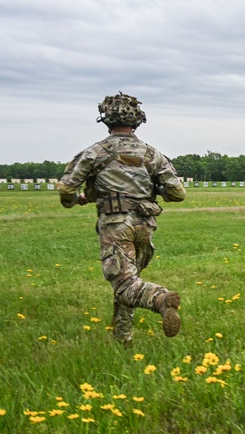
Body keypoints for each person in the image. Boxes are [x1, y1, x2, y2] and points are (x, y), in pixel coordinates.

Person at [56, 93, 186, 345]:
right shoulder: (151, 154)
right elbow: (177, 193)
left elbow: (66, 188)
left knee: (125, 283)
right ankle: (122, 339)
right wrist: (152, 191)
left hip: (117, 225)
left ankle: (161, 299)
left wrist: (74, 200)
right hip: (145, 226)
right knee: (130, 279)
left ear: (105, 120)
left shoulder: (96, 152)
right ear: (137, 121)